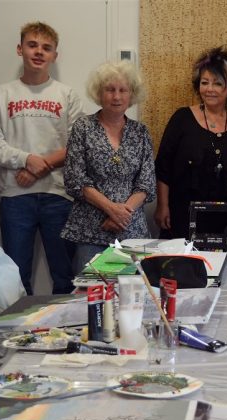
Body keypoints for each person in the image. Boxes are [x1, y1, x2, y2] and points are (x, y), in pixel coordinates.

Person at [0, 21, 84, 295]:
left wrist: (40, 167)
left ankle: (65, 335)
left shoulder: (67, 95)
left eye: (46, 48)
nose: (39, 52)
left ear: (55, 55)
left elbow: (77, 146)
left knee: (66, 277)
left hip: (59, 196)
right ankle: (21, 337)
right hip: (16, 197)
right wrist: (27, 159)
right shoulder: (2, 94)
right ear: (20, 49)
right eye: (32, 45)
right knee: (15, 278)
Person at [60, 61, 156, 273]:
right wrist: (111, 210)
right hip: (90, 230)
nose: (116, 96)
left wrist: (122, 216)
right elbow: (74, 180)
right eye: (110, 89)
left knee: (134, 297)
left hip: (132, 231)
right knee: (89, 298)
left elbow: (146, 184)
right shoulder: (83, 127)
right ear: (99, 93)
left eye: (123, 90)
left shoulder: (141, 132)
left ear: (132, 95)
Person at [155, 46, 227, 239]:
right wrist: (162, 206)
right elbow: (163, 168)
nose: (209, 89)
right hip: (181, 216)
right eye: (204, 82)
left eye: (217, 83)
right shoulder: (182, 119)